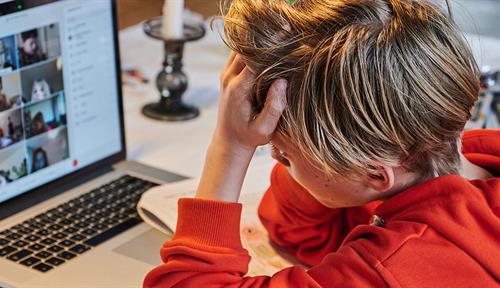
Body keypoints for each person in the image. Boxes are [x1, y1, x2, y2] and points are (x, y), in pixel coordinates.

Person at [144, 0, 500, 287]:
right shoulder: (455, 160)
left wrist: (231, 146)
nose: (277, 157)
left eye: (283, 155)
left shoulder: (392, 268)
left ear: (376, 175)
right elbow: (300, 233)